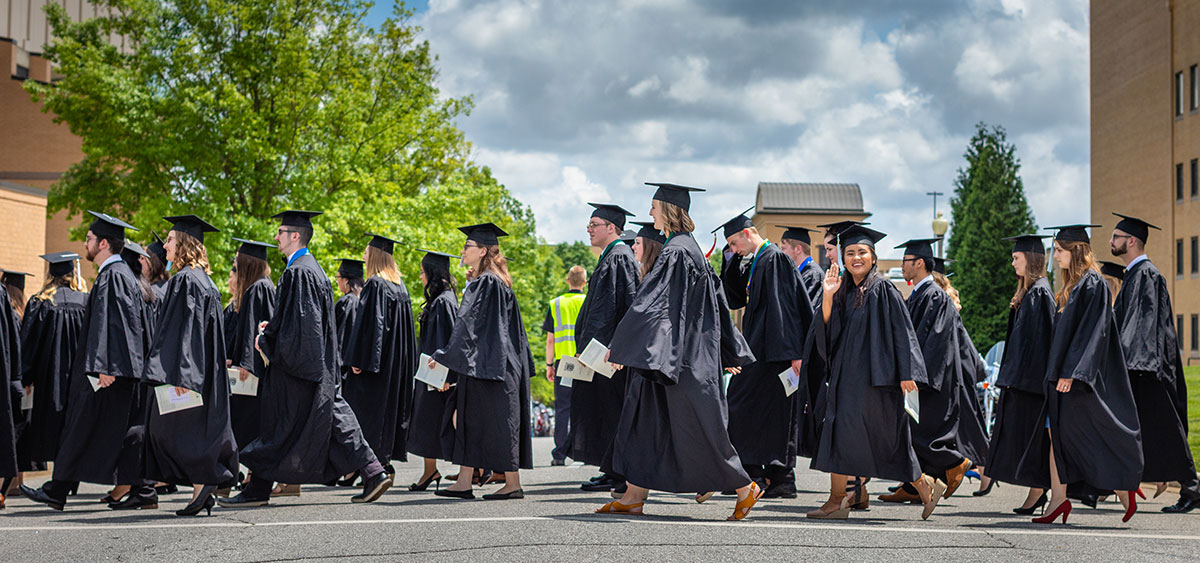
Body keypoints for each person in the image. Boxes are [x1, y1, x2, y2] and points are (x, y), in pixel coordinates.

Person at [600, 182, 761, 520]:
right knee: (645, 421)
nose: (649, 214)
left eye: (653, 207)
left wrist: (621, 344)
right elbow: (717, 305)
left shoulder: (675, 252)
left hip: (680, 361)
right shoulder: (690, 249)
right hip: (677, 358)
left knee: (699, 428)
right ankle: (633, 495)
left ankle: (746, 488)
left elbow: (652, 304)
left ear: (668, 211)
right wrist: (726, 352)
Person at [219, 210, 392, 507]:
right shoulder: (311, 269)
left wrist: (265, 340)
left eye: (280, 232)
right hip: (316, 366)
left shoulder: (298, 271)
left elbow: (301, 327)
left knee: (277, 425)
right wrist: (272, 329)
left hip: (300, 369)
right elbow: (299, 323)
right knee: (328, 419)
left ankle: (258, 489)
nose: (276, 237)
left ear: (295, 235)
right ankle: (373, 472)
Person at [805, 225, 944, 521]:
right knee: (839, 433)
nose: (856, 258)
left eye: (862, 252)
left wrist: (908, 374)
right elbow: (828, 334)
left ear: (873, 256)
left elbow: (902, 331)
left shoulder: (882, 288)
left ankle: (925, 485)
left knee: (887, 440)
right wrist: (827, 296)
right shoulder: (845, 289)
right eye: (850, 253)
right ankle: (836, 501)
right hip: (846, 380)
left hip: (875, 383)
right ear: (843, 258)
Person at [22, 211, 156, 511]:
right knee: (120, 430)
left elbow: (117, 324)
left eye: (90, 239)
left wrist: (106, 366)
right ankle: (141, 490)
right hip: (115, 371)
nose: (86, 243)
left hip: (110, 372)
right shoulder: (119, 275)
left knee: (87, 426)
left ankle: (58, 489)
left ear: (104, 243)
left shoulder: (114, 276)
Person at [1019, 224, 1143, 525]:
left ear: (1076, 251)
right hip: (1063, 378)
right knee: (1056, 436)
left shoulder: (1093, 284)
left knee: (1083, 436)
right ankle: (1059, 501)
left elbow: (1093, 333)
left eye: (1060, 251)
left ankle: (1122, 485)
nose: (1055, 256)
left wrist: (1073, 372)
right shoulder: (1073, 286)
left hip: (1078, 381)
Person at [142, 215, 238, 517]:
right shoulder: (204, 280)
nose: (166, 246)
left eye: (170, 240)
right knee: (195, 430)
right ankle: (202, 487)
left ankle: (204, 483)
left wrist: (183, 373)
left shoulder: (185, 280)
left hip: (189, 370)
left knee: (167, 430)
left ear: (183, 244)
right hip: (203, 369)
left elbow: (186, 330)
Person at [430, 223, 533, 501]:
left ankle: (511, 484)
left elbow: (468, 325)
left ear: (484, 250)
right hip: (495, 363)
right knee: (472, 418)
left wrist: (444, 357)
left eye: (468, 247)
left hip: (490, 365)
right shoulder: (494, 280)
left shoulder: (487, 282)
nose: (463, 251)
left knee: (492, 421)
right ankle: (465, 480)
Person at [1109, 214, 1200, 513]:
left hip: (1149, 368)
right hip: (1144, 366)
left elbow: (1144, 324)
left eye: (1116, 237)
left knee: (1166, 429)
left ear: (1131, 241)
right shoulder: (1136, 274)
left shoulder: (1146, 275)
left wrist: (1131, 362)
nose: (1111, 242)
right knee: (1155, 429)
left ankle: (1192, 488)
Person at [718, 211, 812, 499]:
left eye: (734, 244)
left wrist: (795, 353)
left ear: (747, 234)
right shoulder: (759, 259)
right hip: (761, 348)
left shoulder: (774, 258)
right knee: (761, 412)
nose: (734, 250)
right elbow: (733, 297)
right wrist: (730, 260)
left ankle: (766, 476)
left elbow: (788, 307)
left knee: (753, 408)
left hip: (775, 352)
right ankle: (765, 475)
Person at [883, 238, 972, 504]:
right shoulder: (922, 294)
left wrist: (915, 377)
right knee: (912, 432)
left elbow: (931, 342)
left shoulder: (933, 296)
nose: (902, 266)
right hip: (919, 376)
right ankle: (912, 487)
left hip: (927, 380)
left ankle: (955, 463)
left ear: (919, 263)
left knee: (918, 433)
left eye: (905, 262)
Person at [983, 234, 1054, 512]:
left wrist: (1021, 379)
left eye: (1016, 257)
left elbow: (1040, 343)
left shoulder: (1040, 293)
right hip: (1022, 382)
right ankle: (1036, 492)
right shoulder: (1031, 291)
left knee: (1030, 441)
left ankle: (1038, 491)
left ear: (1031, 259)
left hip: (1031, 385)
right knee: (1024, 441)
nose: (1012, 262)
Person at [572, 203, 638, 494]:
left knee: (613, 411)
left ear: (612, 228)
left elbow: (617, 309)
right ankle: (611, 469)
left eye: (594, 224)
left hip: (610, 356)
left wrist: (603, 348)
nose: (589, 229)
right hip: (604, 353)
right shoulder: (611, 256)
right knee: (605, 411)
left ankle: (620, 473)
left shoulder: (619, 257)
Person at [345, 233, 419, 477]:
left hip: (376, 366)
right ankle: (384, 462)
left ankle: (374, 468)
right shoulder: (400, 286)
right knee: (387, 414)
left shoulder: (375, 284)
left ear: (374, 255)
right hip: (396, 364)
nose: (363, 257)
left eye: (366, 252)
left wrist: (359, 361)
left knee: (368, 414)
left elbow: (370, 327)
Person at [15, 253, 88, 483]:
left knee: (53, 425)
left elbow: (29, 344)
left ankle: (60, 478)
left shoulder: (41, 302)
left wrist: (25, 377)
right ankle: (70, 477)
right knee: (75, 424)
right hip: (80, 378)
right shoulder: (85, 302)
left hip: (50, 378)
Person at [407, 249, 460, 490]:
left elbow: (450, 339)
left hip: (438, 376)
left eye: (422, 272)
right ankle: (430, 471)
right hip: (431, 373)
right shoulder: (442, 300)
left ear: (433, 273)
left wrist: (447, 376)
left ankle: (475, 469)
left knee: (435, 422)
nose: (420, 277)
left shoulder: (444, 302)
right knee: (427, 422)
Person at [227, 238, 277, 457]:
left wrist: (247, 362)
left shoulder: (259, 288)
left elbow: (256, 327)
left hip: (254, 370)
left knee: (249, 421)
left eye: (239, 260)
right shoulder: (259, 286)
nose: (236, 264)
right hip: (253, 367)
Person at [543, 265, 587, 466]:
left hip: (565, 364)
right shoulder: (589, 301)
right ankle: (586, 452)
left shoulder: (556, 304)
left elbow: (550, 340)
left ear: (567, 280)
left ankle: (559, 454)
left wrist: (549, 364)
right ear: (584, 283)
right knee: (587, 407)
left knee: (563, 408)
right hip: (586, 362)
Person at [334, 258, 365, 382]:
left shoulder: (345, 302)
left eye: (338, 278)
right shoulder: (365, 300)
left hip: (343, 367)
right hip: (357, 365)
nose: (337, 282)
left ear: (346, 281)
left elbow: (339, 336)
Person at [777, 225, 823, 306]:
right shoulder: (800, 272)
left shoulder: (813, 275)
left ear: (798, 249)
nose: (781, 253)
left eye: (783, 248)